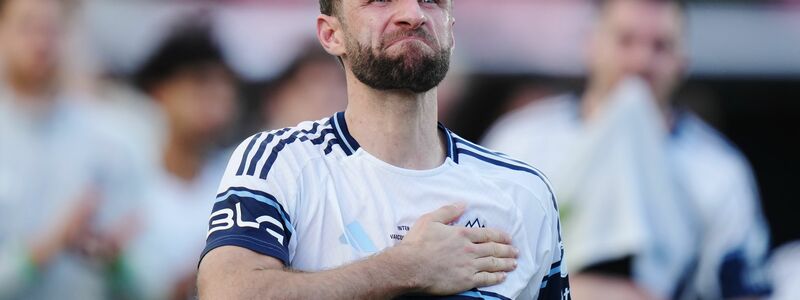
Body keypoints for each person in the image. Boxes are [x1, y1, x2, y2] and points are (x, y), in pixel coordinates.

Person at [197, 0, 570, 299]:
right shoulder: (279, 162)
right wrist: (407, 268)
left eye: (431, 1)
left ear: (451, 32)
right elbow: (228, 292)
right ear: (331, 34)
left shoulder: (524, 192)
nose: (412, 14)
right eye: (379, 0)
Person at [482, 0, 771, 299]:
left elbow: (741, 290)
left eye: (660, 46)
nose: (641, 61)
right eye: (626, 41)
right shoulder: (520, 142)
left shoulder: (719, 172)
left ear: (683, 60)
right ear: (591, 45)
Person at [0, 0, 143, 298]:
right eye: (27, 27)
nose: (41, 42)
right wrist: (41, 252)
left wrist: (116, 262)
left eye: (51, 29)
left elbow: (145, 285)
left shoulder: (112, 140)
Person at [122, 19, 239, 300]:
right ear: (160, 92)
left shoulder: (242, 180)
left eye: (223, 82)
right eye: (200, 81)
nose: (217, 94)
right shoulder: (128, 184)